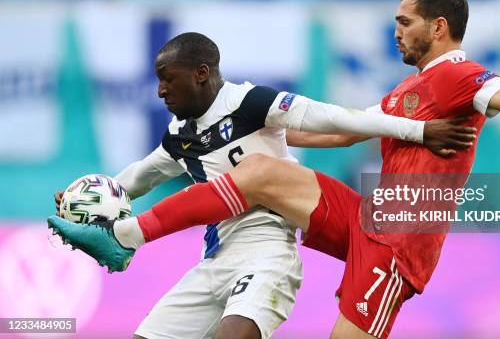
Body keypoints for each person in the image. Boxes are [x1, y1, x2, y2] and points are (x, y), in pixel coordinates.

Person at [49, 0, 500, 339]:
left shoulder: (457, 74)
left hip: (402, 242)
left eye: (405, 21)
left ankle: (125, 236)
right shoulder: (412, 87)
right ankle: (126, 236)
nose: (396, 30)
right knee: (264, 173)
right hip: (371, 218)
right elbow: (343, 135)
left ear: (438, 27)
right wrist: (270, 128)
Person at [52, 30, 476, 339]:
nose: (160, 89)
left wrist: (415, 131)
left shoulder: (252, 102)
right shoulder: (179, 136)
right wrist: (84, 197)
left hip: (267, 253)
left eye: (168, 78)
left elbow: (337, 118)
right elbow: (134, 179)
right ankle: (126, 238)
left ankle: (128, 238)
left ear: (201, 73)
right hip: (214, 260)